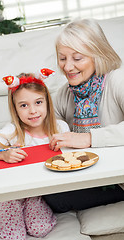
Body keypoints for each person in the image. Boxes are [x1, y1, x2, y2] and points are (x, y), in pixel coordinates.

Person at [43, 19, 124, 213]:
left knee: (54, 200)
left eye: (77, 58)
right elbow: (46, 129)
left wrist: (88, 138)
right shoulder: (65, 93)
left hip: (117, 178)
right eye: (62, 58)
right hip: (87, 176)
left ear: (98, 55)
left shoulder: (117, 80)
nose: (68, 67)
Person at [0, 68, 70, 240]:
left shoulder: (60, 128)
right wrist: (3, 154)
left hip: (36, 195)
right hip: (10, 197)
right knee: (13, 236)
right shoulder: (13, 131)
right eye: (24, 105)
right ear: (15, 109)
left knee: (41, 229)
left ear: (47, 103)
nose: (33, 111)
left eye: (38, 102)